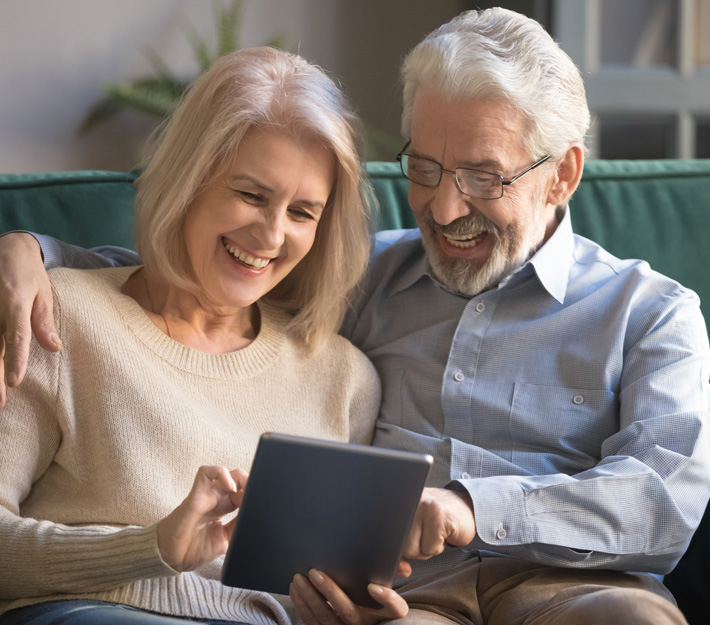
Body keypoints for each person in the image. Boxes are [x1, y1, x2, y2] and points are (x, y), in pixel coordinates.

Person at [1, 8, 709, 625]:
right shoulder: (362, 277)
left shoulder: (651, 314)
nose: (443, 207)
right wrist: (31, 249)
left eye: (483, 177)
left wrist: (472, 506)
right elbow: (195, 274)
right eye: (425, 167)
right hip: (414, 600)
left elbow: (664, 499)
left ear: (562, 174)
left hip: (580, 585)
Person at [0, 46, 384, 625]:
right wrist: (150, 547)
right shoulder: (60, 318)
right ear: (188, 178)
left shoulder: (344, 378)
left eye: (303, 212)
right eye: (251, 195)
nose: (271, 234)